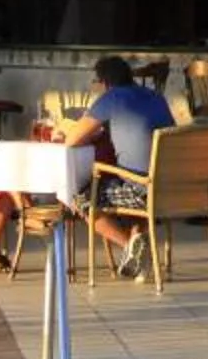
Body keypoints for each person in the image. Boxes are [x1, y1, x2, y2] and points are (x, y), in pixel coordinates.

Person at [51, 55, 177, 277]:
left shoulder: (111, 98)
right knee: (121, 180)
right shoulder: (157, 97)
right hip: (169, 188)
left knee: (79, 196)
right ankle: (137, 243)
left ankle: (129, 244)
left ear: (105, 83)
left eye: (96, 83)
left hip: (141, 190)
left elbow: (72, 139)